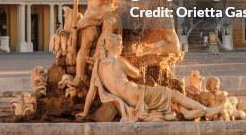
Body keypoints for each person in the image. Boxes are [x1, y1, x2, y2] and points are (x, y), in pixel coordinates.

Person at [77, 33, 220, 122]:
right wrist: (138, 56)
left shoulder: (98, 65)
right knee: (173, 94)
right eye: (120, 45)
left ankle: (189, 113)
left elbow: (91, 91)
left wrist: (85, 111)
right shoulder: (119, 62)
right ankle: (207, 110)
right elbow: (136, 73)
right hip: (137, 93)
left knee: (170, 100)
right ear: (113, 46)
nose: (121, 48)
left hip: (131, 97)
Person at [70, 0, 122, 85]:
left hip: (109, 13)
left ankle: (96, 57)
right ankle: (79, 76)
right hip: (93, 16)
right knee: (88, 39)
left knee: (109, 23)